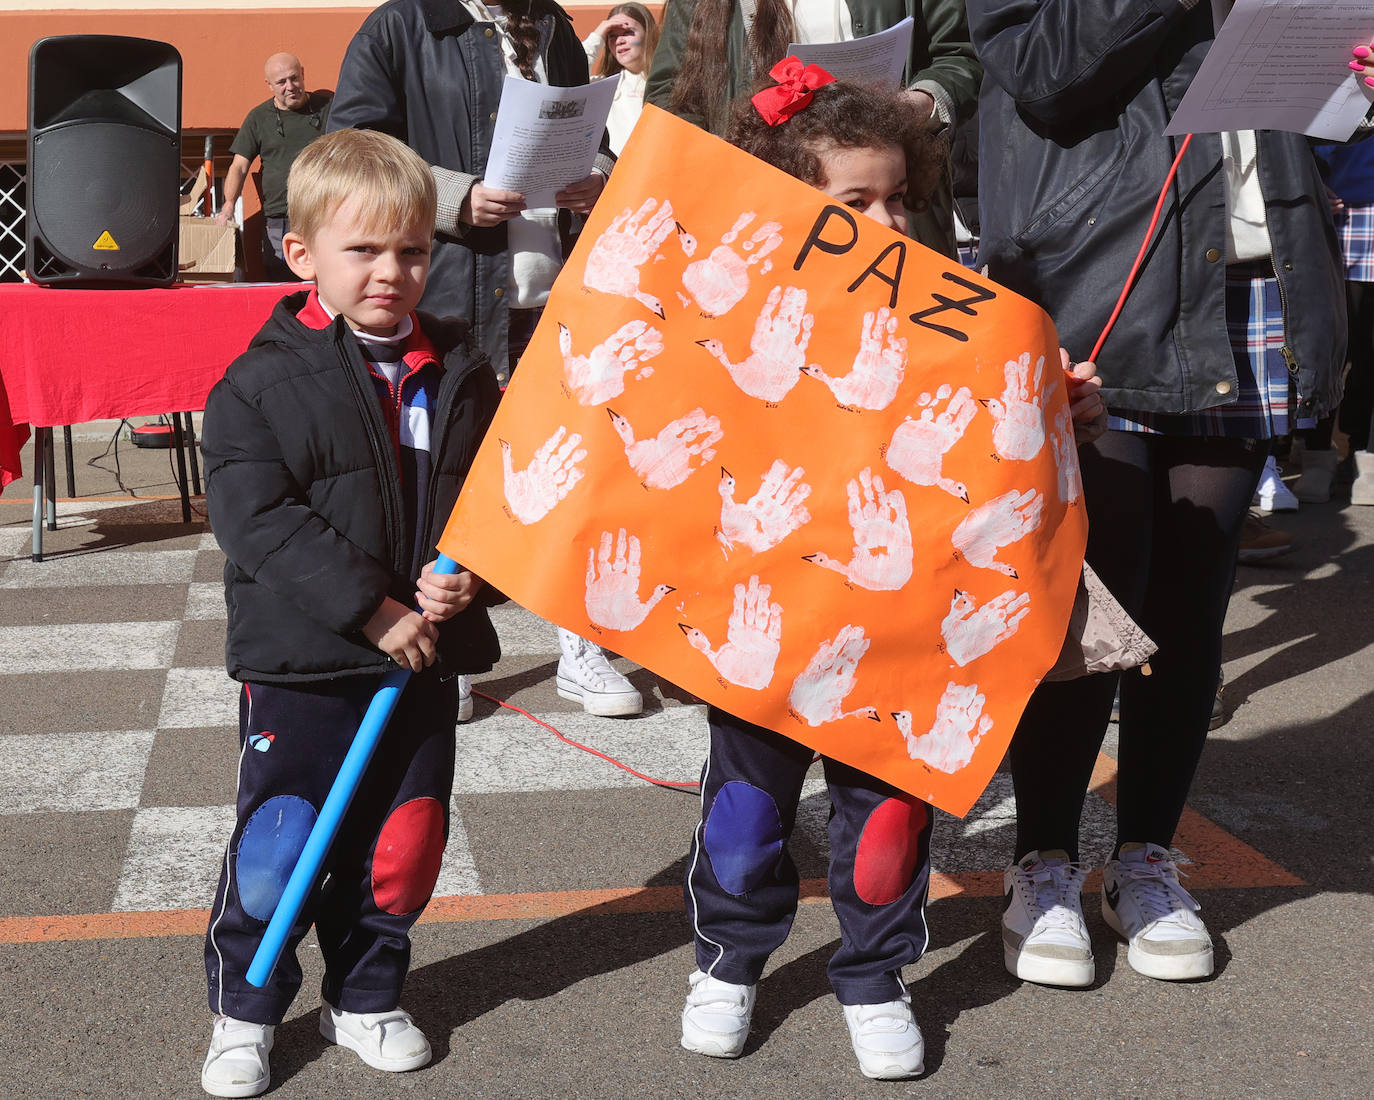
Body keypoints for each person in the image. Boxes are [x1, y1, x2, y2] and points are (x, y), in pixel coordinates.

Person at [674, 63, 1106, 1081]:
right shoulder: (736, 313)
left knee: (886, 821)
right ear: (789, 203)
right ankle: (731, 960)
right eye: (854, 201)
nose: (889, 218)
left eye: (900, 197)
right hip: (766, 623)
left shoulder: (962, 320)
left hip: (899, 632)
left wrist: (1052, 413)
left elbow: (1001, 447)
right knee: (745, 816)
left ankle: (873, 973)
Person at [967, 0, 1358, 989]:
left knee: (1191, 600)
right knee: (1092, 597)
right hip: (1100, 277)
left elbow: (1298, 90)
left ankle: (1143, 855)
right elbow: (1039, 69)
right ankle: (1043, 862)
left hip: (1250, 273)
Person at [197, 128, 502, 1098]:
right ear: (303, 255)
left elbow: (497, 503)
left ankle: (366, 992)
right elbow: (257, 520)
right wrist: (367, 609)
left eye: (412, 249)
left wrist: (473, 580)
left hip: (419, 664)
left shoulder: (462, 371)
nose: (391, 271)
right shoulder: (257, 383)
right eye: (363, 251)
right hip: (306, 660)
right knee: (284, 843)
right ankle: (245, 1008)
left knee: (403, 843)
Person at [328, 0, 645, 718]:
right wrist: (451, 197)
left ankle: (579, 645)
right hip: (451, 296)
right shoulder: (402, 26)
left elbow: (589, 130)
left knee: (572, 473)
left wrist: (597, 172)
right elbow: (354, 148)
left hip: (553, 293)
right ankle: (447, 645)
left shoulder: (555, 26)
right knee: (451, 478)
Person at [645, 0, 982, 257]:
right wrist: (727, 155)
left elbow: (961, 54)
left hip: (892, 199)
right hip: (761, 212)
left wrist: (908, 107)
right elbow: (669, 97)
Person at [215, 52, 332, 281]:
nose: (290, 86)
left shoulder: (328, 109)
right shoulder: (259, 118)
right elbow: (239, 166)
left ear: (303, 74)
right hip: (279, 219)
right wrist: (228, 205)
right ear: (269, 86)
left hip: (321, 213)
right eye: (281, 82)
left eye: (294, 78)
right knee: (282, 282)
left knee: (325, 279)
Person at [1317, 137, 1374, 504]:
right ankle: (1316, 455)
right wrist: (1308, 179)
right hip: (1335, 206)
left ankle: (1364, 457)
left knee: (1371, 351)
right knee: (1327, 345)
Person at [582, 2, 659, 155]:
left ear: (648, 33)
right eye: (612, 35)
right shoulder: (603, 85)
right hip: (616, 174)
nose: (619, 41)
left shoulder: (665, 82)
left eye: (627, 32)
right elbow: (573, 73)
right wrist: (597, 35)